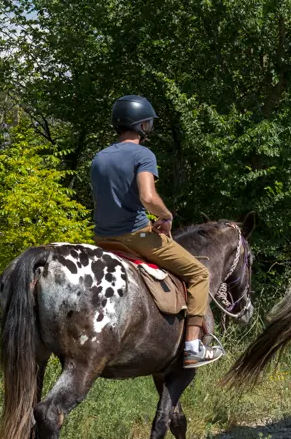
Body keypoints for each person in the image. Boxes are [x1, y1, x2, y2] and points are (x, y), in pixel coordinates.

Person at [91, 95, 223, 368]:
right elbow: (148, 197)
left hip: (102, 239)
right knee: (199, 274)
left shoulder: (99, 157)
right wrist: (165, 216)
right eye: (148, 123)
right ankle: (193, 347)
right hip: (136, 238)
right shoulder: (143, 154)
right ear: (142, 125)